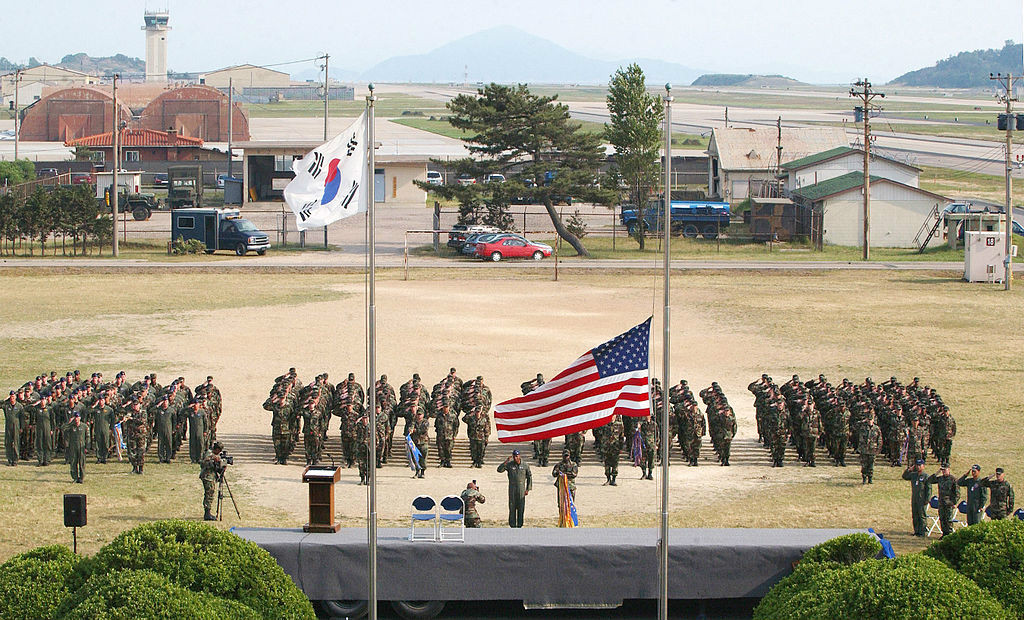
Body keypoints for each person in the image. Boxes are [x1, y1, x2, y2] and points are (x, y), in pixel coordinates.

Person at [497, 449, 532, 528]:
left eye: (517, 456)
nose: (515, 458)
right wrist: (506, 462)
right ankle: (512, 525)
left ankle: (520, 524)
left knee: (521, 507)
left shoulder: (525, 465)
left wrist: (528, 489)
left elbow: (529, 477)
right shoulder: (509, 465)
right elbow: (499, 470)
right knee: (512, 507)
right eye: (514, 456)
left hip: (521, 488)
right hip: (512, 488)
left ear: (519, 456)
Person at [927, 462, 960, 537]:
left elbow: (957, 493)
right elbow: (930, 480)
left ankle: (949, 535)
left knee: (948, 520)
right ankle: (944, 534)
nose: (943, 472)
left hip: (949, 503)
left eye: (945, 470)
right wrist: (937, 472)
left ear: (948, 469)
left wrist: (953, 502)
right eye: (942, 470)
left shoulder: (953, 479)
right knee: (942, 519)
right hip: (941, 502)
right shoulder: (940, 478)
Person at [902, 459, 931, 536]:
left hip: (922, 498)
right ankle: (916, 531)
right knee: (915, 514)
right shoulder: (913, 475)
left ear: (923, 466)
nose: (918, 467)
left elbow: (928, 489)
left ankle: (922, 532)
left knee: (922, 515)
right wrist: (909, 469)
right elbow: (904, 477)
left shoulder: (926, 476)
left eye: (920, 465)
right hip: (915, 498)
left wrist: (927, 499)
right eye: (917, 465)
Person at [200, 441, 225, 521]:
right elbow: (203, 463)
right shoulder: (209, 454)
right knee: (209, 494)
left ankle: (208, 511)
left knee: (210, 493)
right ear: (217, 449)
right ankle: (207, 513)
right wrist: (214, 459)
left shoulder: (213, 454)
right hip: (207, 477)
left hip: (211, 476)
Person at [62, 412, 87, 483]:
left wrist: (86, 447)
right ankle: (75, 478)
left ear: (80, 418)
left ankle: (81, 478)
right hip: (73, 446)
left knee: (81, 462)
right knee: (73, 462)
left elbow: (87, 437)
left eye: (77, 417)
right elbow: (63, 428)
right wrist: (69, 422)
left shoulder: (84, 426)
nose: (76, 419)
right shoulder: (71, 426)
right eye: (75, 417)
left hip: (81, 446)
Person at [2, 391, 21, 465]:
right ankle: (10, 459)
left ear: (15, 397)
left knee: (16, 443)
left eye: (13, 397)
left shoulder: (19, 406)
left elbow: (22, 417)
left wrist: (21, 427)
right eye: (11, 397)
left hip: (16, 426)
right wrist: (5, 399)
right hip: (8, 426)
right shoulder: (6, 406)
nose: (12, 398)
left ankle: (15, 460)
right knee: (8, 443)